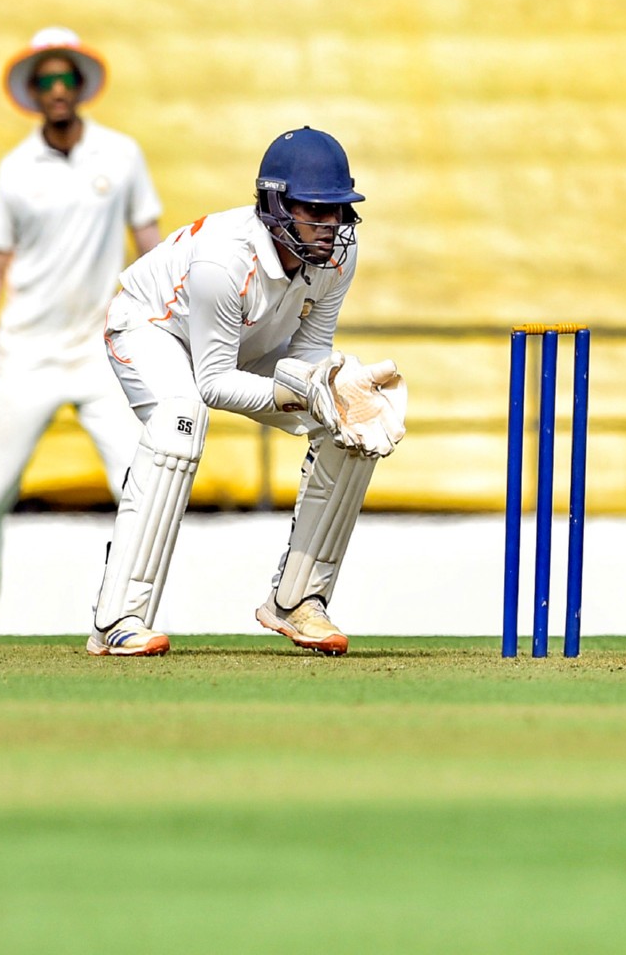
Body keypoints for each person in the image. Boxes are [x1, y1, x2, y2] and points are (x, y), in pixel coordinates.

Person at [88, 126, 407, 656]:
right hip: (153, 329)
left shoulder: (336, 260)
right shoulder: (225, 259)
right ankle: (118, 618)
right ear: (276, 204)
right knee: (179, 420)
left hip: (244, 343)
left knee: (349, 422)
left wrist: (326, 392)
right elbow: (212, 384)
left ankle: (298, 601)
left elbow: (310, 353)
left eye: (338, 212)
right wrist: (300, 393)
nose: (330, 227)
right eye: (315, 210)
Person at [0, 27, 163, 635]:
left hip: (98, 353)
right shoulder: (13, 170)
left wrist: (165, 325)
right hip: (24, 355)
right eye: (45, 80)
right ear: (32, 93)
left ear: (80, 87)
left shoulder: (122, 155)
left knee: (140, 483)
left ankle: (125, 616)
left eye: (66, 78)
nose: (57, 89)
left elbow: (149, 245)